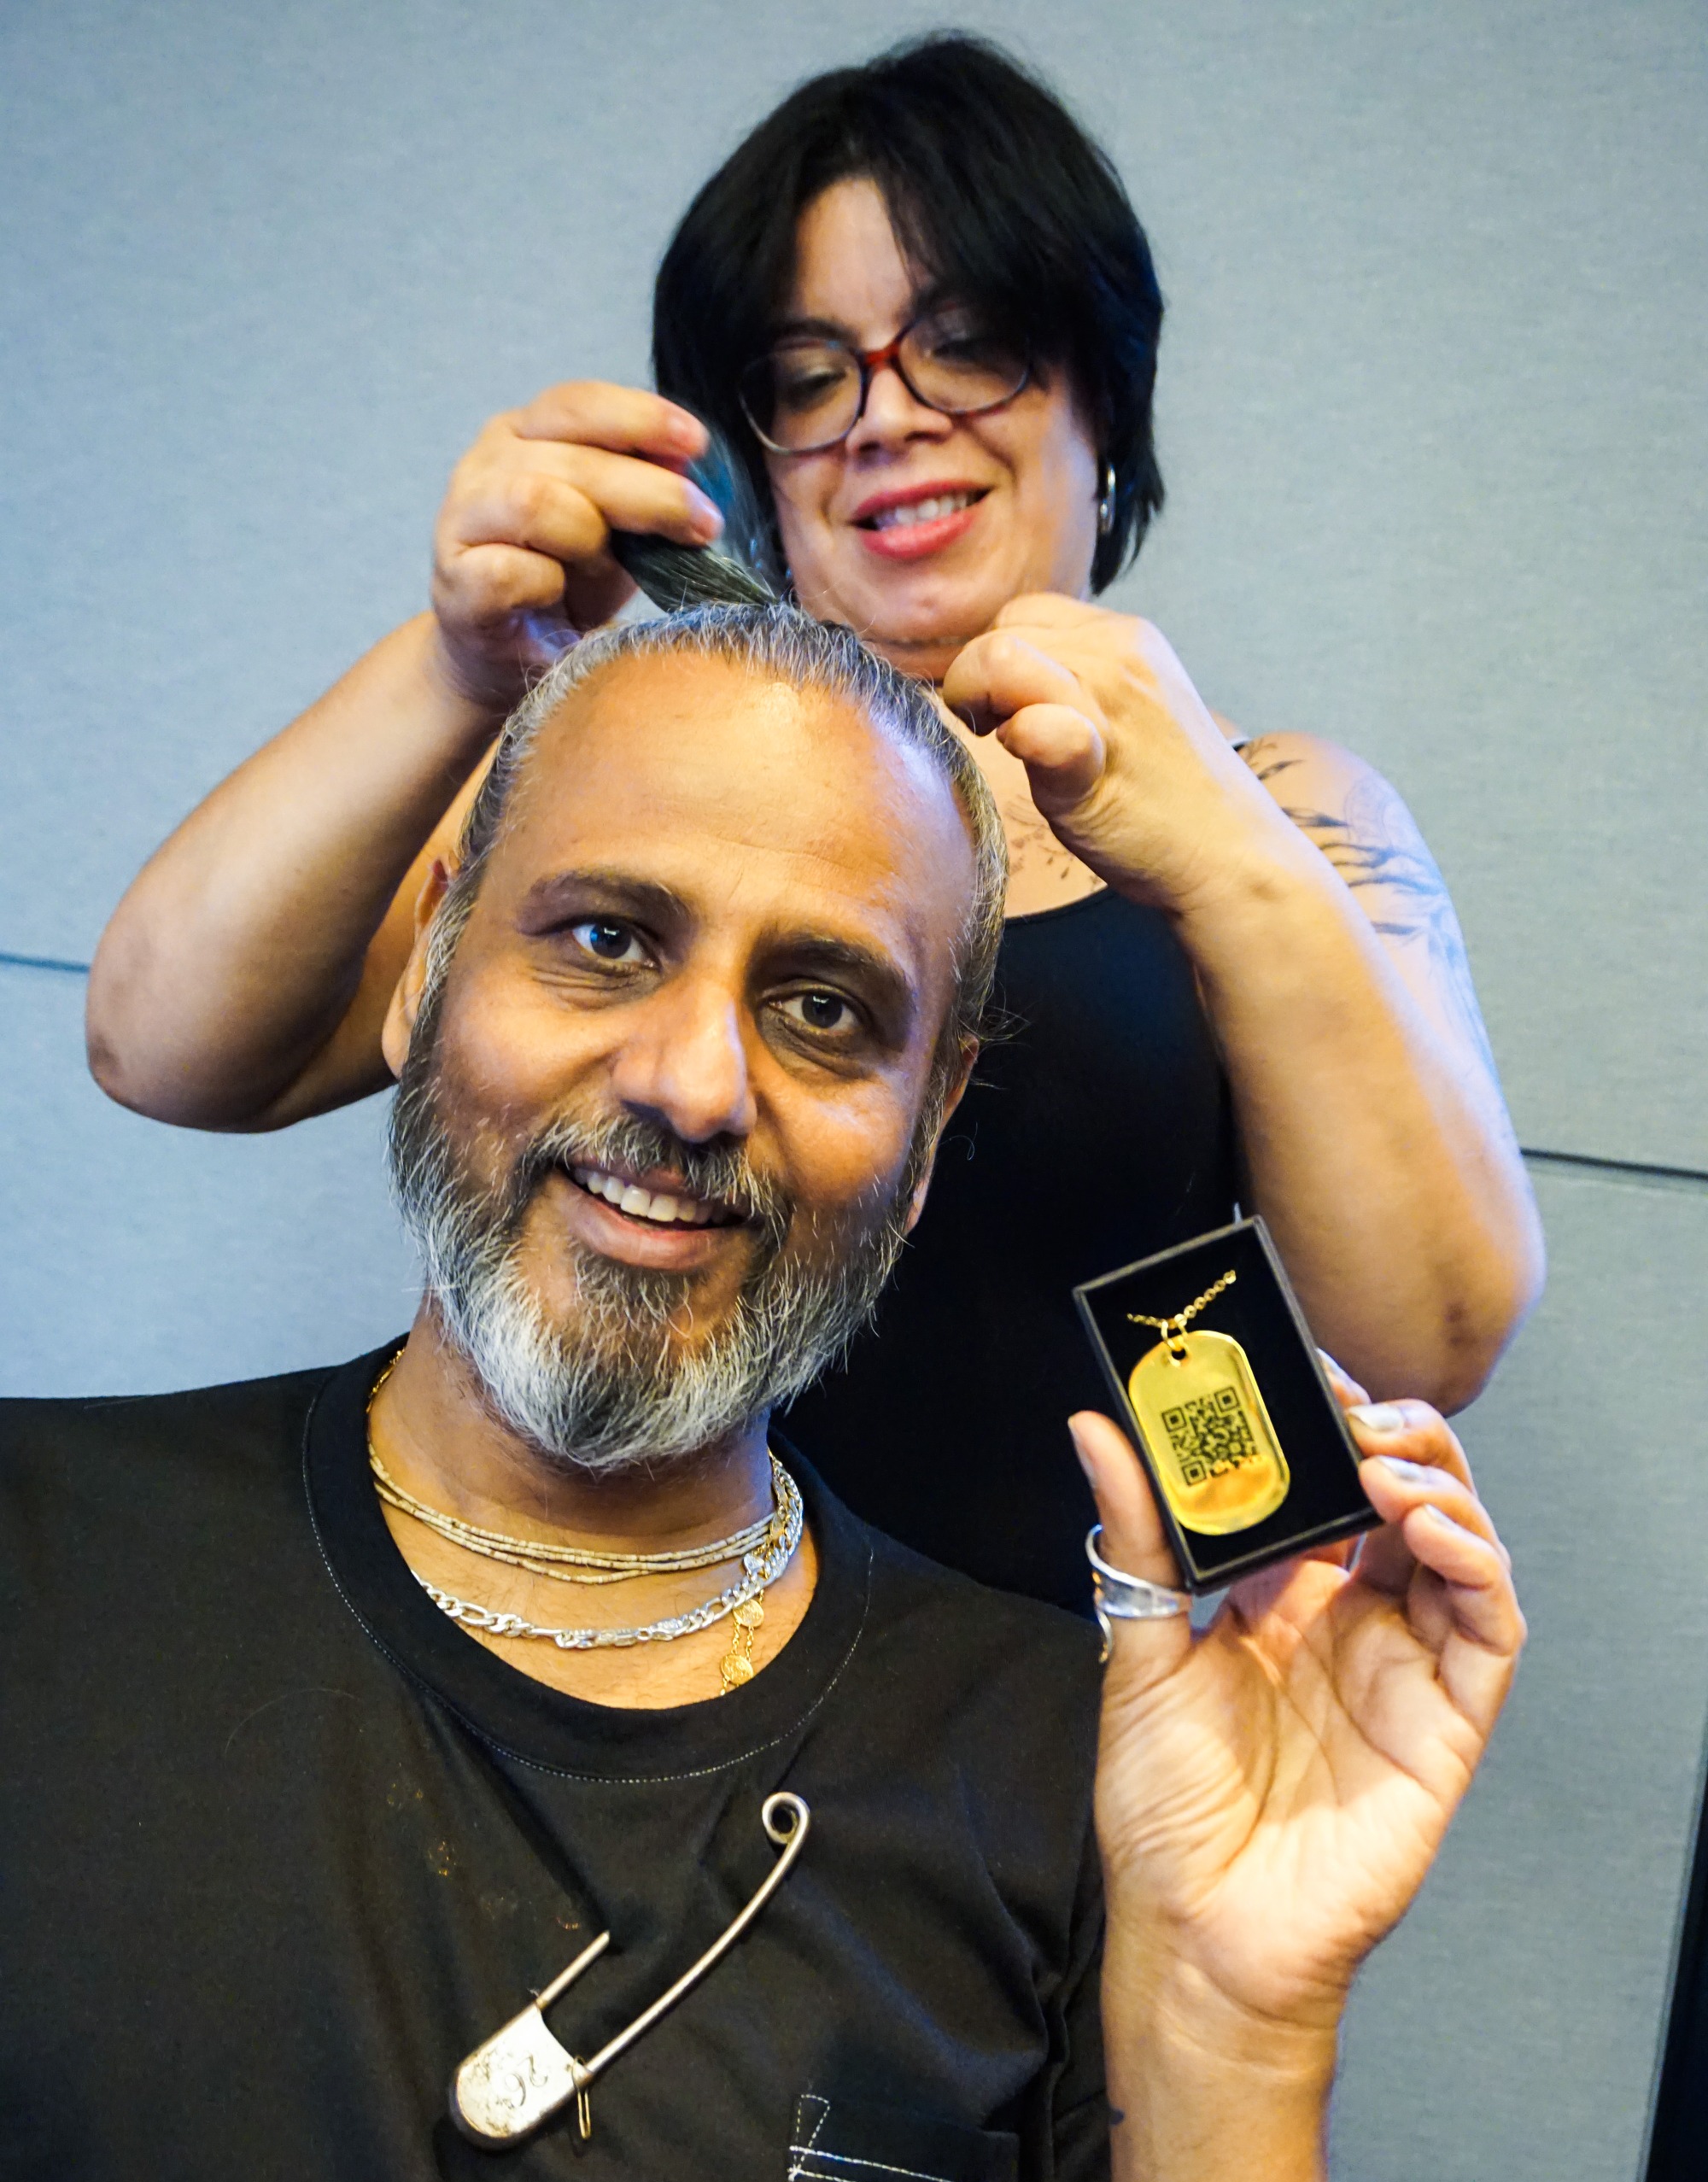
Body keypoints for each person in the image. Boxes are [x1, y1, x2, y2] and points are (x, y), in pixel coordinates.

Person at [6, 606, 1524, 2182]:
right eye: (607, 938)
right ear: (429, 962)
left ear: (931, 1126)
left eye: (824, 1009)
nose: (693, 1083)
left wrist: (1242, 2018)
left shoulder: (1077, 1798)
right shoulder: (44, 1558)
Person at [85, 34, 1544, 1609]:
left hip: (1060, 1736)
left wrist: (1220, 851)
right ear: (749, 454)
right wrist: (467, 659)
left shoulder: (1282, 814)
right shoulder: (612, 768)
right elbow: (163, 1046)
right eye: (807, 375)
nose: (887, 418)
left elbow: (1430, 1336)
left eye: (970, 343)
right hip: (611, 1680)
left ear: (1103, 397)